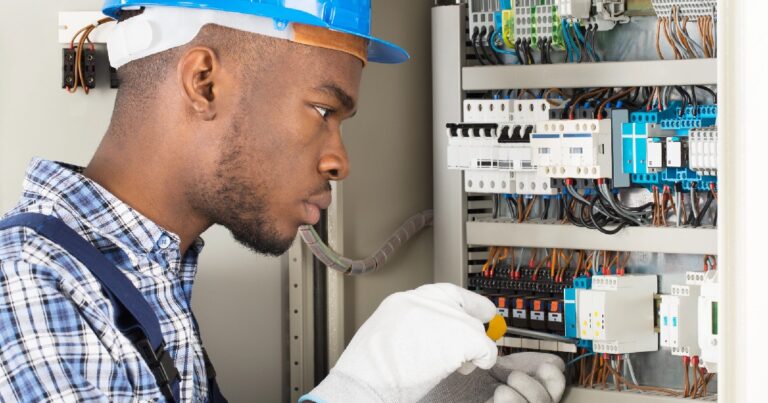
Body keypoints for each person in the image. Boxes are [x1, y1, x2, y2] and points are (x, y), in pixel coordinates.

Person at [0, 1, 564, 402]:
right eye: (323, 110)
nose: (340, 161)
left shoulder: (147, 276)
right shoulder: (27, 285)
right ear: (204, 82)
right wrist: (359, 391)